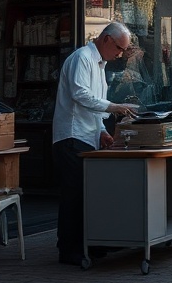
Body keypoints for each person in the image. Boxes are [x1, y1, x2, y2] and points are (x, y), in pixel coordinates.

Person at [52, 22, 138, 266]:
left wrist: (101, 130)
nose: (120, 54)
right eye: (119, 48)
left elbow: (93, 104)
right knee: (74, 194)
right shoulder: (82, 58)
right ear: (107, 39)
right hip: (72, 136)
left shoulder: (100, 64)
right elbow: (80, 95)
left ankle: (89, 243)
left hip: (85, 135)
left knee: (87, 194)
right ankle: (69, 249)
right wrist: (114, 107)